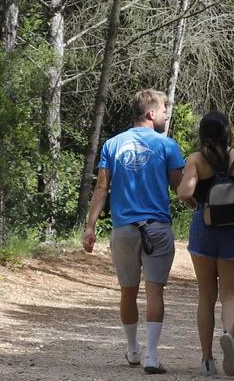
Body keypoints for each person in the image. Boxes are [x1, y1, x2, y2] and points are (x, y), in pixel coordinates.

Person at [83, 89, 185, 374]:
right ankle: (151, 355)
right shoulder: (167, 146)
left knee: (127, 292)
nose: (166, 115)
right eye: (164, 110)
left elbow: (102, 188)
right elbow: (180, 188)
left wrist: (90, 226)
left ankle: (132, 349)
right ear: (151, 113)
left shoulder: (112, 145)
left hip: (124, 229)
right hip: (157, 228)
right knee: (155, 292)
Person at [176, 112, 234, 377]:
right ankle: (228, 334)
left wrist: (198, 205)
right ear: (228, 134)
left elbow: (184, 194)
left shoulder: (195, 160)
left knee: (206, 295)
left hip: (204, 229)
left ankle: (206, 360)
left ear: (203, 135)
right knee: (230, 295)